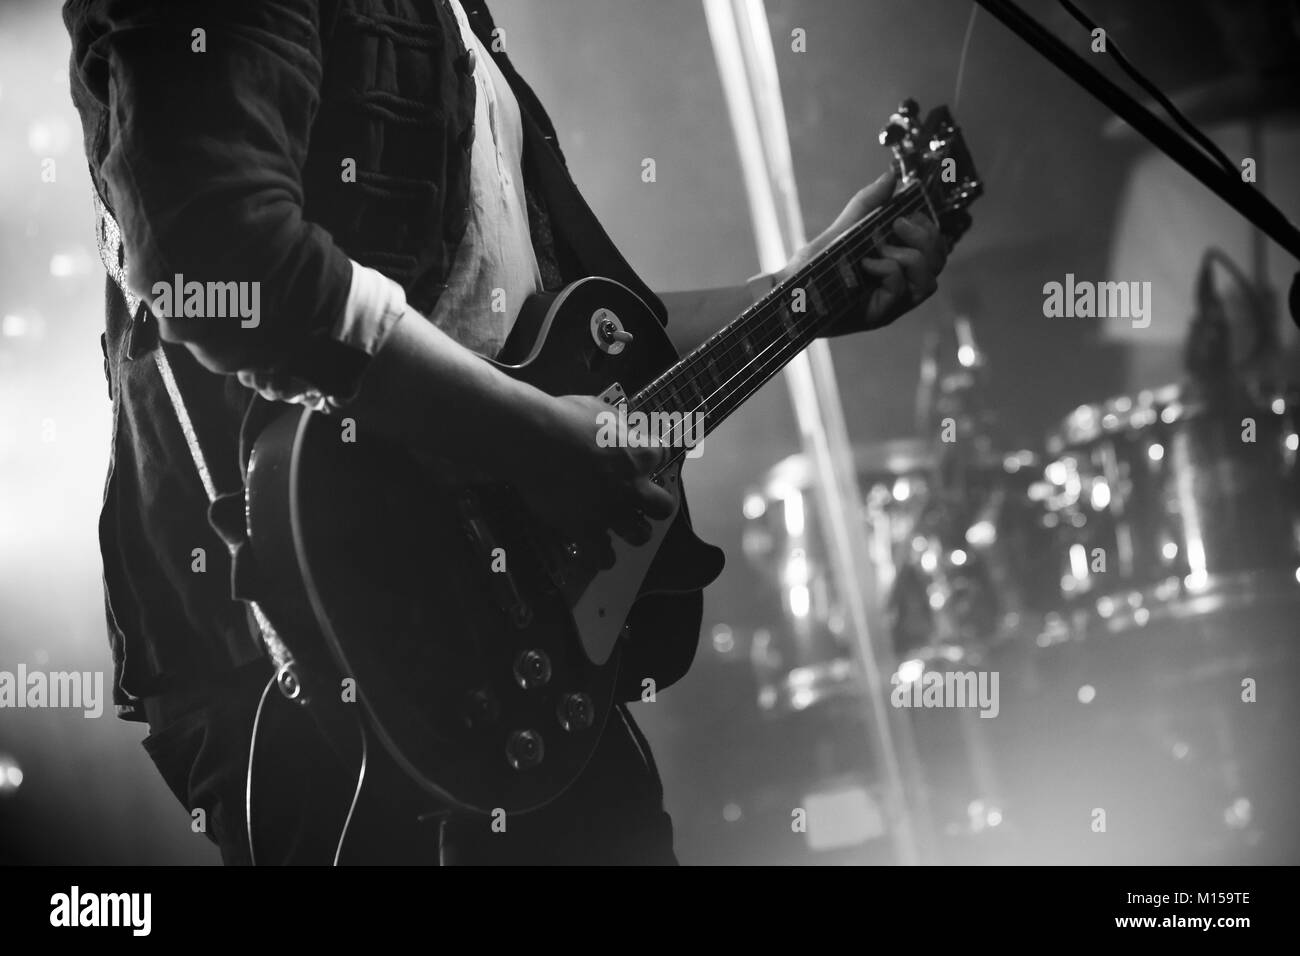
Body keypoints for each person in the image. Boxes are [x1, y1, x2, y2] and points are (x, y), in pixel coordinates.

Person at [63, 0, 946, 865]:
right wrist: (534, 445)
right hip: (336, 654)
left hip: (515, 651)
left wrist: (797, 294)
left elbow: (561, 345)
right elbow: (216, 255)